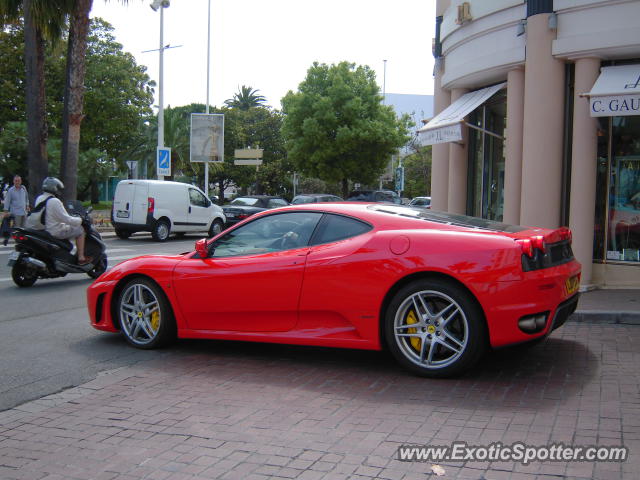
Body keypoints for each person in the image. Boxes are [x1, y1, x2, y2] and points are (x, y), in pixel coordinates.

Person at [35, 177, 92, 265]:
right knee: (80, 230)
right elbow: (66, 219)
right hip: (55, 231)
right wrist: (79, 220)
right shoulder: (54, 201)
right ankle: (81, 257)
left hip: (44, 229)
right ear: (54, 188)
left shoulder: (39, 198)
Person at [2, 175, 30, 244]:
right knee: (17, 228)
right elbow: (7, 201)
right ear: (13, 181)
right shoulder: (11, 190)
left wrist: (27, 205)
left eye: (18, 180)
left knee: (24, 228)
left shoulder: (23, 188)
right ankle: (18, 242)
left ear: (21, 181)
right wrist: (5, 211)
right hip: (16, 212)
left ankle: (23, 242)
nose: (17, 182)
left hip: (24, 211)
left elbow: (26, 198)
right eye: (16, 181)